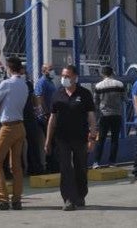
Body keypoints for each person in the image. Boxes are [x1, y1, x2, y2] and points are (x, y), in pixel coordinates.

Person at [44, 65, 96, 212]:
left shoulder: (84, 94)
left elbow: (91, 117)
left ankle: (80, 195)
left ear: (75, 77)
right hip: (62, 138)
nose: (64, 78)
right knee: (66, 168)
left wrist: (92, 137)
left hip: (80, 138)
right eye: (63, 76)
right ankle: (68, 199)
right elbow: (52, 119)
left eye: (67, 76)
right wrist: (48, 140)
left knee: (81, 168)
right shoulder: (57, 95)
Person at [0, 55, 28, 212]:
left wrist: (0, 106)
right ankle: (17, 200)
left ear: (9, 68)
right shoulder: (24, 84)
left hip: (7, 127)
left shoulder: (6, 83)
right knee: (16, 166)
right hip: (20, 126)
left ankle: (2, 199)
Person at [90, 66, 124, 169]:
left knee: (101, 139)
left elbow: (95, 102)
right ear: (112, 73)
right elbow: (124, 98)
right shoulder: (120, 84)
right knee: (114, 139)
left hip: (104, 115)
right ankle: (112, 162)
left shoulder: (99, 86)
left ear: (102, 74)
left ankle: (96, 162)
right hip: (117, 114)